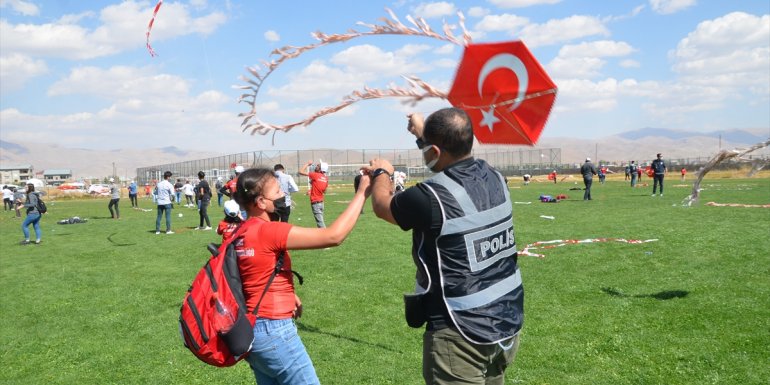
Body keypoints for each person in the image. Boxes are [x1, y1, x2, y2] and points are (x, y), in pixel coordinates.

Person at [368, 108, 523, 385]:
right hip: (506, 320)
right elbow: (447, 159)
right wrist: (422, 136)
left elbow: (383, 206)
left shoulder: (429, 197)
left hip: (460, 333)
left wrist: (382, 172)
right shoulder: (496, 178)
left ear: (436, 151)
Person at [232, 167, 370, 384]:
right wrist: (362, 193)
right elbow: (333, 236)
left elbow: (253, 274)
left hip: (253, 332)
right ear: (260, 202)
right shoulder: (270, 231)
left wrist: (288, 295)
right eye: (277, 192)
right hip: (275, 332)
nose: (283, 195)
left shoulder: (240, 230)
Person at [298, 160, 329, 228]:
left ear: (321, 169)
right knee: (320, 222)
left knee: (320, 224)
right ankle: (322, 236)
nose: (316, 166)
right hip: (321, 202)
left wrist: (307, 164)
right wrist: (313, 188)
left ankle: (326, 236)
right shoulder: (326, 178)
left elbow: (300, 171)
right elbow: (324, 191)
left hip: (315, 202)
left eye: (318, 166)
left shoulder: (315, 175)